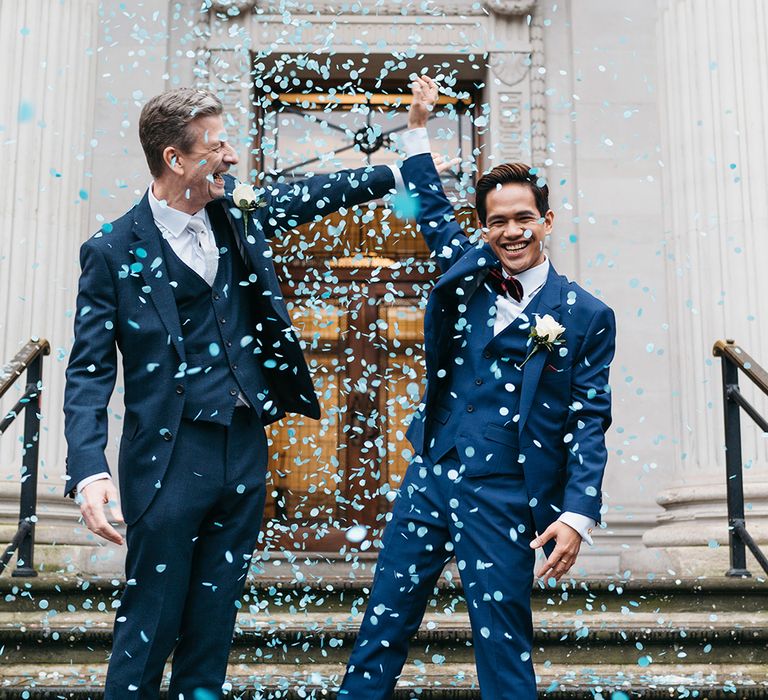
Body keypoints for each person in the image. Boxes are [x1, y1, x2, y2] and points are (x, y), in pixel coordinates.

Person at [63, 87, 401, 699]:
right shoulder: (112, 250)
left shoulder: (237, 211)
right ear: (175, 159)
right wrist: (89, 470)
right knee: (151, 624)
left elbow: (313, 194)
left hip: (243, 450)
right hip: (168, 458)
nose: (232, 156)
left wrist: (400, 165)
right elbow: (88, 370)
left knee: (213, 628)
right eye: (217, 144)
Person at [339, 76, 616, 699]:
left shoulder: (586, 314)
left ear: (545, 221)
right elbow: (431, 208)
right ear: (483, 228)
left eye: (523, 218)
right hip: (431, 475)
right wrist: (416, 127)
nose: (511, 231)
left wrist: (577, 512)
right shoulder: (465, 273)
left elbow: (589, 417)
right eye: (498, 222)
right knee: (380, 627)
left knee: (501, 640)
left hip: (507, 493)